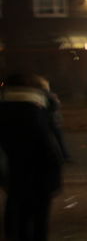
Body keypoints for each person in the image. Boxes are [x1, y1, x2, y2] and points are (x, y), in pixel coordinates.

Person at [0, 73, 64, 241]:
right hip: (38, 174)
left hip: (14, 173)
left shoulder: (5, 108)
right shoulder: (35, 112)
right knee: (37, 218)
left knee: (16, 212)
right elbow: (47, 144)